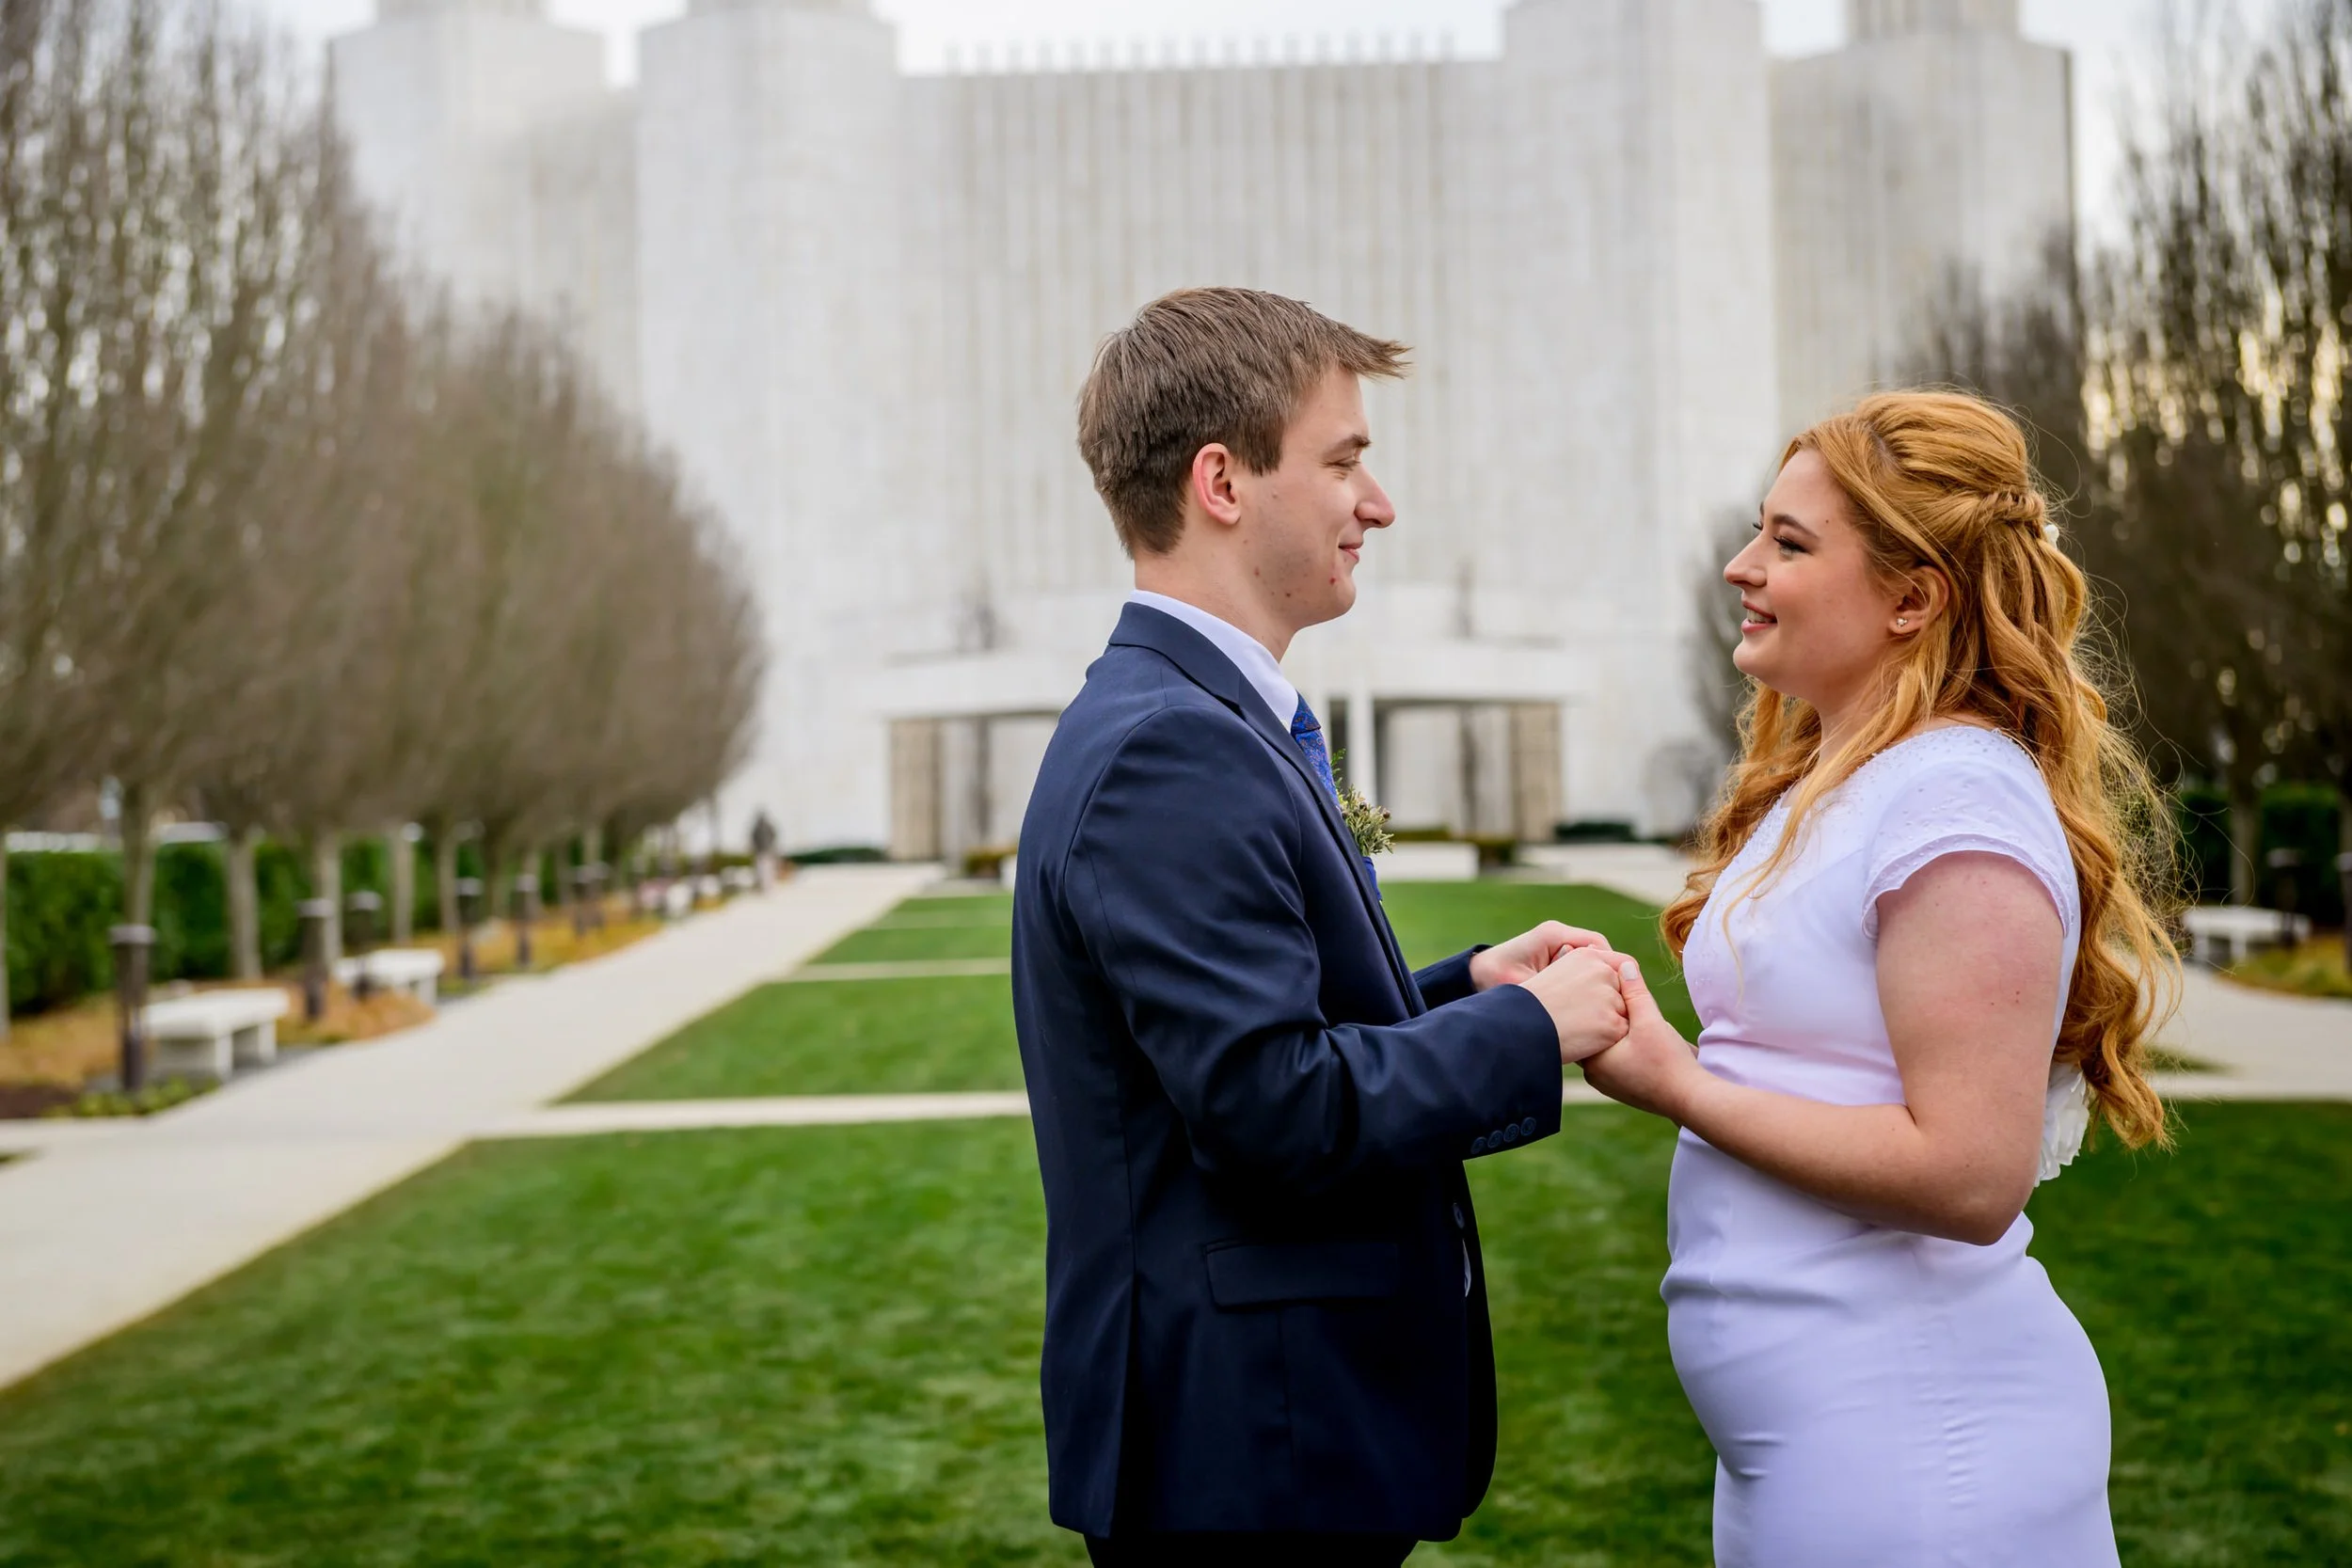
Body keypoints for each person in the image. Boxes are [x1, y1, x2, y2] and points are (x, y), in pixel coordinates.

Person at [1010, 287, 1630, 1566]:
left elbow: (1264, 1030)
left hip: (1267, 1443)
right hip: (1246, 1455)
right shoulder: (1169, 747)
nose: (1379, 501)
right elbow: (1270, 1106)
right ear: (1223, 481)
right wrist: (1530, 1028)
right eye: (1345, 459)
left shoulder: (1198, 716)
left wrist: (1465, 989)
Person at [1584, 390, 2179, 1566]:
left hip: (1924, 1449)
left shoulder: (1952, 799)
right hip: (1821, 1443)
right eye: (1760, 530)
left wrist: (1676, 1081)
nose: (1739, 566)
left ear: (1912, 597)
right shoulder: (1851, 777)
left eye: (1789, 544)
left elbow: (1970, 1174)